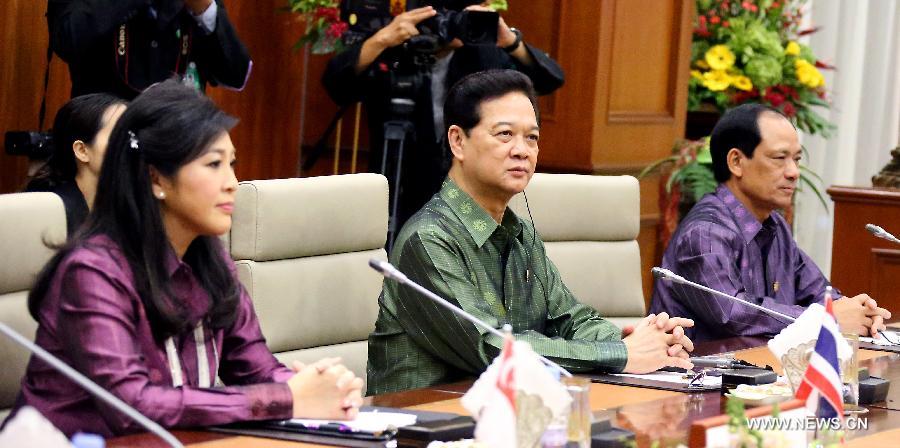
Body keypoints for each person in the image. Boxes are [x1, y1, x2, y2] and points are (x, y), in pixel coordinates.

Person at [5, 80, 363, 437]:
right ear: (156, 177)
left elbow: (257, 369)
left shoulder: (211, 262)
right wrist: (284, 398)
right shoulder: (93, 271)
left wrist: (317, 386)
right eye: (213, 165)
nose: (232, 183)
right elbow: (131, 408)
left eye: (232, 164)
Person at [366, 70, 694, 395]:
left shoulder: (518, 232)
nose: (522, 150)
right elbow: (491, 347)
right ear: (458, 141)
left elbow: (572, 319)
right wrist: (623, 354)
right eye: (505, 134)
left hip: (514, 414)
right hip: (425, 422)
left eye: (532, 138)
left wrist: (643, 341)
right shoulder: (428, 238)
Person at [649, 103, 891, 342]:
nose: (793, 172)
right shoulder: (705, 232)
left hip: (762, 371)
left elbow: (816, 292)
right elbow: (732, 315)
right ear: (736, 162)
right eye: (779, 158)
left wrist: (857, 312)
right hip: (695, 375)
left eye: (796, 159)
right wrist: (825, 318)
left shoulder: (774, 224)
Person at [323, 4, 564, 235]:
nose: (450, 26)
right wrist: (382, 39)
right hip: (398, 184)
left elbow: (549, 79)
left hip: (465, 192)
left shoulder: (481, 56)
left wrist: (510, 41)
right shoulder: (396, 54)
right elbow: (337, 85)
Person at [47, 0, 251, 99]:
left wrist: (204, 9)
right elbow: (68, 38)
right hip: (106, 143)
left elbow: (236, 75)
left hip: (179, 147)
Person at [25, 94, 127, 235]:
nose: (131, 145)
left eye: (131, 135)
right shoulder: (52, 214)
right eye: (118, 136)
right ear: (82, 150)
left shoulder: (128, 205)